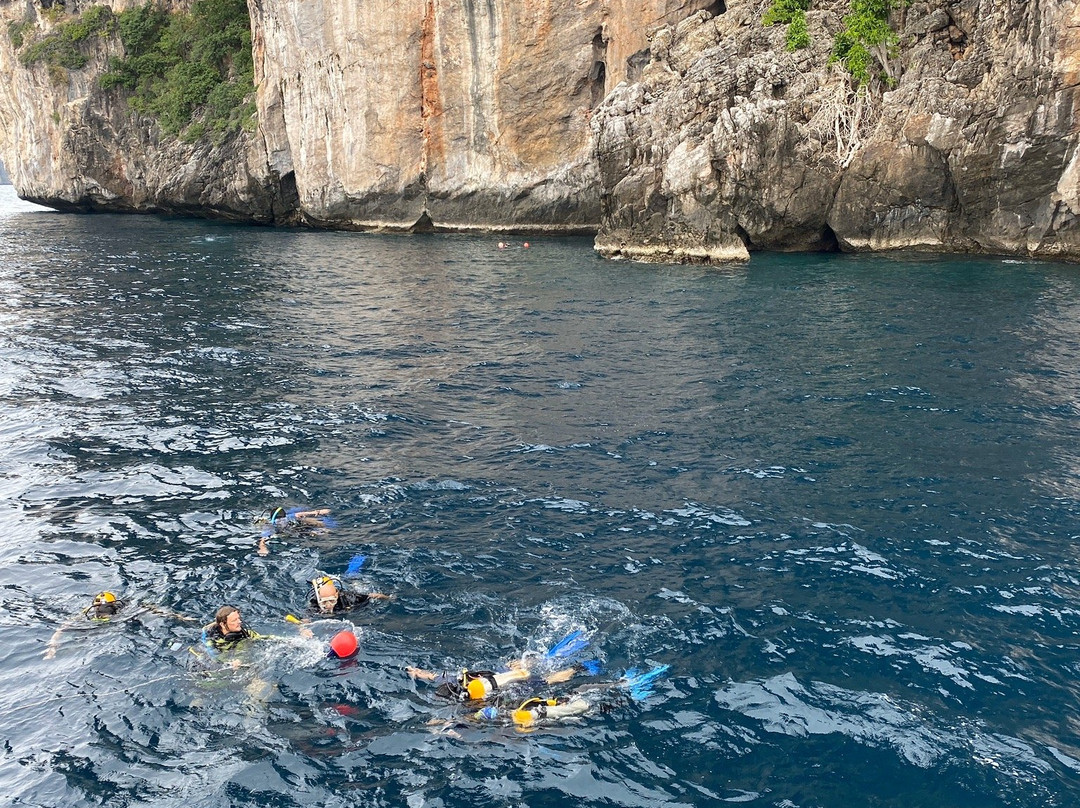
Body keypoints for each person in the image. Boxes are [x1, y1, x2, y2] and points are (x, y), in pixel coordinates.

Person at [44, 591, 192, 659]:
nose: (103, 613)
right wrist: (52, 646)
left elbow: (62, 627)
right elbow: (63, 627)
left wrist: (52, 646)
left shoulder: (124, 608)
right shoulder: (86, 615)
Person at [407, 654, 581, 702]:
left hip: (506, 687)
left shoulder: (470, 702)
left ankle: (576, 668)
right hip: (492, 675)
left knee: (548, 680)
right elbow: (432, 675)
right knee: (510, 665)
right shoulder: (454, 680)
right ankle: (534, 659)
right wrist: (416, 671)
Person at [201, 604, 313, 658]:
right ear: (222, 624)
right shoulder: (210, 633)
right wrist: (229, 662)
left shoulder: (244, 634)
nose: (239, 622)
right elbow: (211, 652)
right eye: (234, 620)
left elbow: (266, 638)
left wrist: (291, 641)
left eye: (239, 618)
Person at [256, 507, 333, 555]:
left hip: (291, 529)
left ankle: (322, 530)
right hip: (283, 534)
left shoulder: (288, 518)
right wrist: (262, 548)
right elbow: (262, 540)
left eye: (283, 519)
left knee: (308, 523)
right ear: (273, 521)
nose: (281, 522)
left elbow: (300, 514)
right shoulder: (269, 528)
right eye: (278, 520)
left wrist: (318, 512)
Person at [309, 576, 391, 615]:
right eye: (324, 602)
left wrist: (388, 598)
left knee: (354, 582)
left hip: (345, 587)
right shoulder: (315, 602)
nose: (328, 605)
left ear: (336, 596)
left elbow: (371, 595)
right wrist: (303, 629)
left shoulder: (348, 598)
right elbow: (305, 618)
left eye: (332, 601)